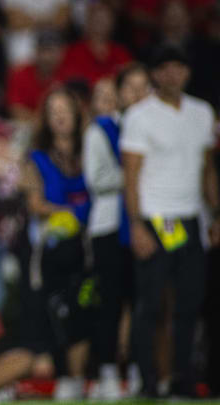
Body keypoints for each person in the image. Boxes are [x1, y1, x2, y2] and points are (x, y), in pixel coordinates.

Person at [121, 44, 220, 398]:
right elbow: (130, 176)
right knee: (150, 304)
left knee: (190, 305)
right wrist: (136, 224)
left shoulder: (203, 113)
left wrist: (216, 214)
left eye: (179, 66)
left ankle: (184, 379)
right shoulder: (139, 115)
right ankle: (148, 381)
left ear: (188, 72)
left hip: (191, 218)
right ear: (155, 73)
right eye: (165, 67)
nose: (172, 74)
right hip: (156, 218)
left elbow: (208, 170)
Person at [82, 63, 150, 400]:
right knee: (110, 303)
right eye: (131, 88)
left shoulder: (152, 128)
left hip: (146, 223)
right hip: (109, 226)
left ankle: (140, 370)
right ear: (121, 95)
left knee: (142, 302)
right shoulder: (101, 130)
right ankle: (106, 373)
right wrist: (139, 175)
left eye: (143, 87)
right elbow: (97, 180)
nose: (137, 95)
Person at [23, 87, 92, 400]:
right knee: (58, 311)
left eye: (66, 109)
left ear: (77, 114)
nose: (61, 116)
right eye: (54, 111)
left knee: (88, 309)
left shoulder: (92, 150)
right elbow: (35, 203)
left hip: (91, 243)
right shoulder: (37, 157)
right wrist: (73, 211)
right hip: (54, 248)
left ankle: (88, 374)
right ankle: (67, 375)